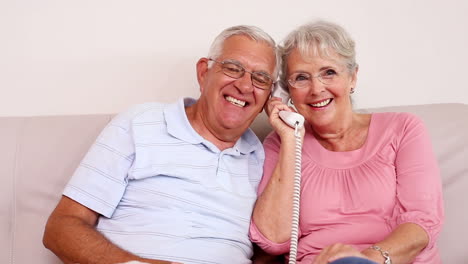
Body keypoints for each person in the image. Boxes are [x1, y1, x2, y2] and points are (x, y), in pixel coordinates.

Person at [43, 25, 280, 264]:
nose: (245, 86)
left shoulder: (262, 156)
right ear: (203, 72)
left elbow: (267, 250)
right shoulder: (140, 123)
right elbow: (61, 228)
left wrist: (290, 136)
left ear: (270, 96)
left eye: (261, 78)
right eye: (233, 68)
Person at [249, 20, 444, 264]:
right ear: (287, 92)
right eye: (301, 78)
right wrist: (290, 141)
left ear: (352, 77)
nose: (316, 89)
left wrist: (364, 260)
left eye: (328, 72)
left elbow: (421, 223)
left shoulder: (403, 129)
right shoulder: (280, 143)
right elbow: (273, 239)